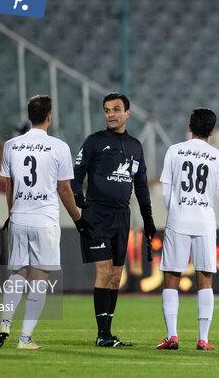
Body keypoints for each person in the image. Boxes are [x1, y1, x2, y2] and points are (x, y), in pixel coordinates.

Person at [0, 95, 93, 349]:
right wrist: (78, 219)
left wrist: (12, 214)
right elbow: (64, 189)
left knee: (17, 274)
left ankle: (4, 323)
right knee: (39, 278)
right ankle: (25, 338)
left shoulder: (11, 145)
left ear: (29, 116)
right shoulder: (59, 147)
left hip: (19, 216)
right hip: (44, 219)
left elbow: (9, 186)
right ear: (50, 116)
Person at [72, 93, 156, 347]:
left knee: (116, 276)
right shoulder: (94, 142)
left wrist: (148, 218)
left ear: (127, 113)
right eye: (107, 110)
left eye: (116, 109)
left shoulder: (135, 146)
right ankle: (102, 335)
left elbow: (141, 185)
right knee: (105, 270)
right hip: (96, 215)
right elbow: (76, 173)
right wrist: (78, 197)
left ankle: (107, 332)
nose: (111, 114)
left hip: (122, 216)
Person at [156, 108, 219, 351]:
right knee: (205, 278)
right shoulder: (218, 157)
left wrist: (176, 212)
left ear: (190, 126)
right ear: (212, 131)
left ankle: (172, 336)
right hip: (205, 223)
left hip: (178, 220)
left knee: (172, 277)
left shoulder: (174, 151)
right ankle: (203, 339)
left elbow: (166, 192)